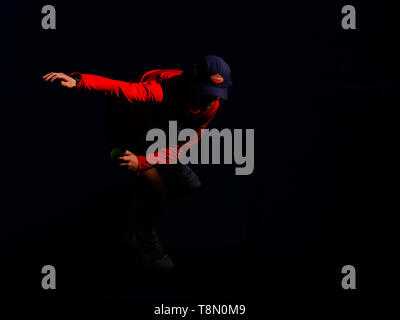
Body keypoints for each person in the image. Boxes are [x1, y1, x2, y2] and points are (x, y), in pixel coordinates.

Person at [43, 55, 232, 271]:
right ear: (192, 83)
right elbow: (119, 88)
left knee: (176, 143)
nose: (208, 100)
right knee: (156, 191)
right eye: (203, 93)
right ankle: (144, 237)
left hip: (159, 123)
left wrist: (162, 156)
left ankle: (171, 162)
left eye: (213, 94)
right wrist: (78, 81)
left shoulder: (211, 104)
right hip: (124, 126)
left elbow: (187, 139)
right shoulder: (156, 93)